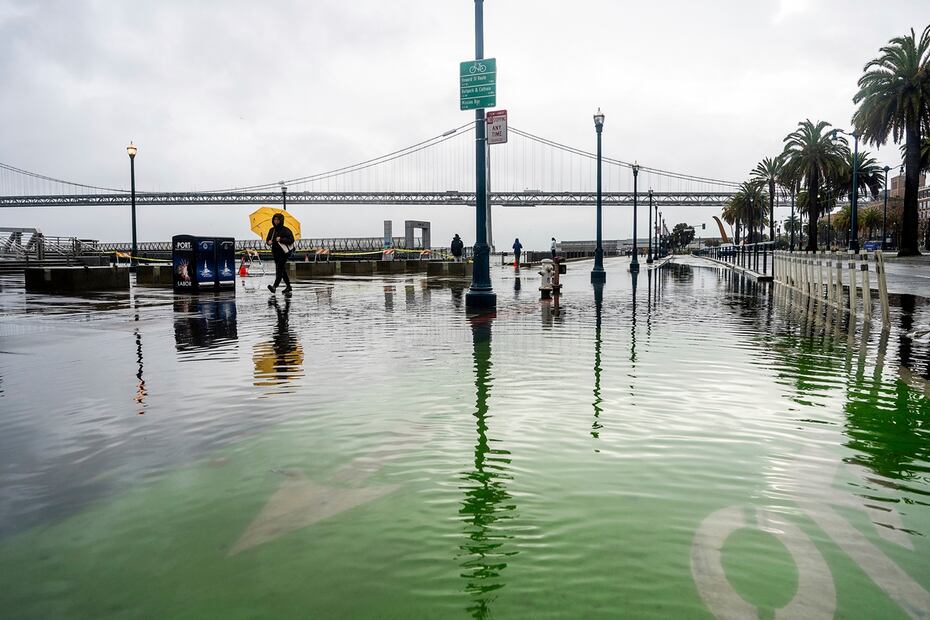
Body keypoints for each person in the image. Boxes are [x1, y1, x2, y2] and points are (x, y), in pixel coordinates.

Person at [266, 213, 295, 294]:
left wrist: (281, 239)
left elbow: (291, 240)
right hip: (275, 252)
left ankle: (274, 286)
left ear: (281, 220)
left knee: (279, 268)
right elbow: (267, 240)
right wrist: (269, 242)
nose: (276, 221)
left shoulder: (286, 230)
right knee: (282, 270)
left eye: (278, 219)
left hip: (284, 253)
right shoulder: (272, 230)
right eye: (274, 219)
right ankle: (288, 286)